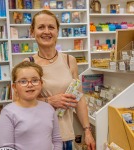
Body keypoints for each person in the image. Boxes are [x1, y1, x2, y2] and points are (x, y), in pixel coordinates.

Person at [24, 10, 96, 150]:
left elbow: (79, 99)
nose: (46, 31)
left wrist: (87, 131)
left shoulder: (70, 61)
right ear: (32, 32)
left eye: (51, 27)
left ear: (57, 31)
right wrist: (49, 101)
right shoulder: (28, 64)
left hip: (66, 136)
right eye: (41, 27)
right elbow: (19, 103)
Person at [0, 61, 62, 150]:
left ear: (41, 83)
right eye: (23, 81)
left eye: (35, 80)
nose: (30, 85)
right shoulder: (8, 113)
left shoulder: (49, 109)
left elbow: (56, 140)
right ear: (15, 87)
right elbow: (6, 147)